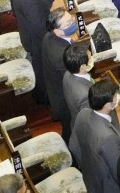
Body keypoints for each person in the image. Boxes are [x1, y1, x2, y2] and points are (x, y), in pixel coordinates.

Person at [68, 79, 120, 193]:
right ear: (108, 105)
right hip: (107, 187)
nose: (118, 97)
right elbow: (118, 172)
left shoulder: (83, 114)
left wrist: (87, 166)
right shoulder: (108, 138)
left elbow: (73, 146)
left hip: (89, 177)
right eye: (116, 96)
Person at [10, 0, 52, 105]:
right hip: (37, 39)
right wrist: (50, 37)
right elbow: (38, 26)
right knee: (42, 68)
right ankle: (43, 97)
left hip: (32, 32)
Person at [41, 9, 77, 141]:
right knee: (70, 130)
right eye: (68, 24)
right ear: (56, 31)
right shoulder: (62, 55)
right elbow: (75, 76)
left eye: (71, 19)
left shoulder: (49, 37)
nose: (73, 24)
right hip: (65, 101)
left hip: (56, 90)